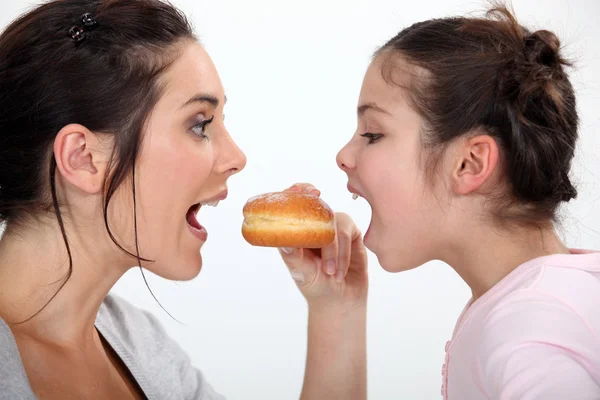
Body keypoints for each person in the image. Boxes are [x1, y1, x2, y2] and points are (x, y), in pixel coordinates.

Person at [0, 1, 367, 399]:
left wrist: (336, 309)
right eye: (200, 124)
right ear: (83, 158)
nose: (236, 159)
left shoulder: (143, 348)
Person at [331, 4, 600, 399]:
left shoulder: (529, 329)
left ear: (469, 163)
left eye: (372, 134)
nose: (343, 155)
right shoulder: (545, 298)